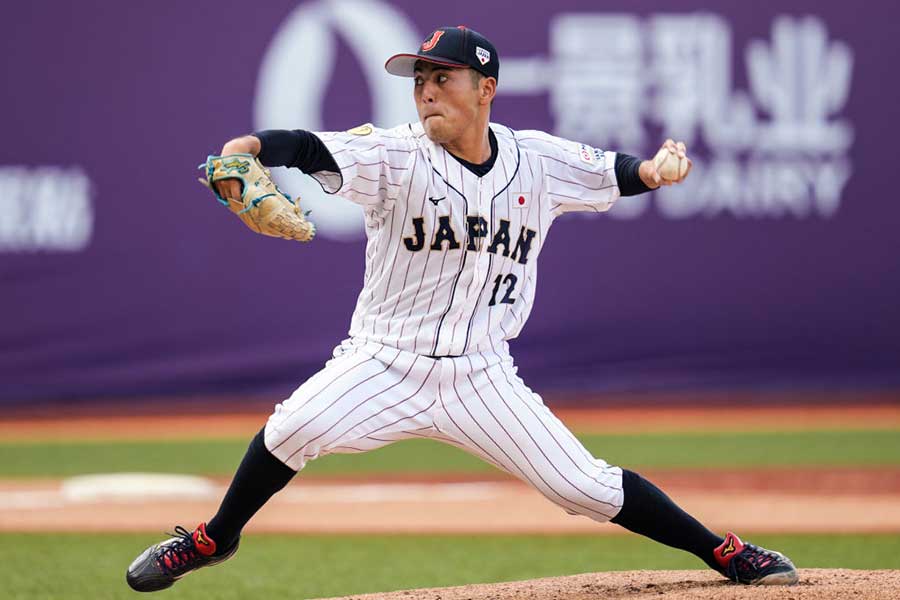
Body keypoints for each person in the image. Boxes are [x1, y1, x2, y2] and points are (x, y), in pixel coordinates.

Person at [125, 26, 798, 592]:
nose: (425, 92)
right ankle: (215, 540)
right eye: (419, 81)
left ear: (485, 89)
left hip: (481, 374)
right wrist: (244, 151)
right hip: (384, 360)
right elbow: (303, 146)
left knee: (584, 487)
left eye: (441, 78)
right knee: (292, 429)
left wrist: (656, 171)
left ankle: (723, 553)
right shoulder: (395, 154)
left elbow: (618, 173)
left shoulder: (536, 159)